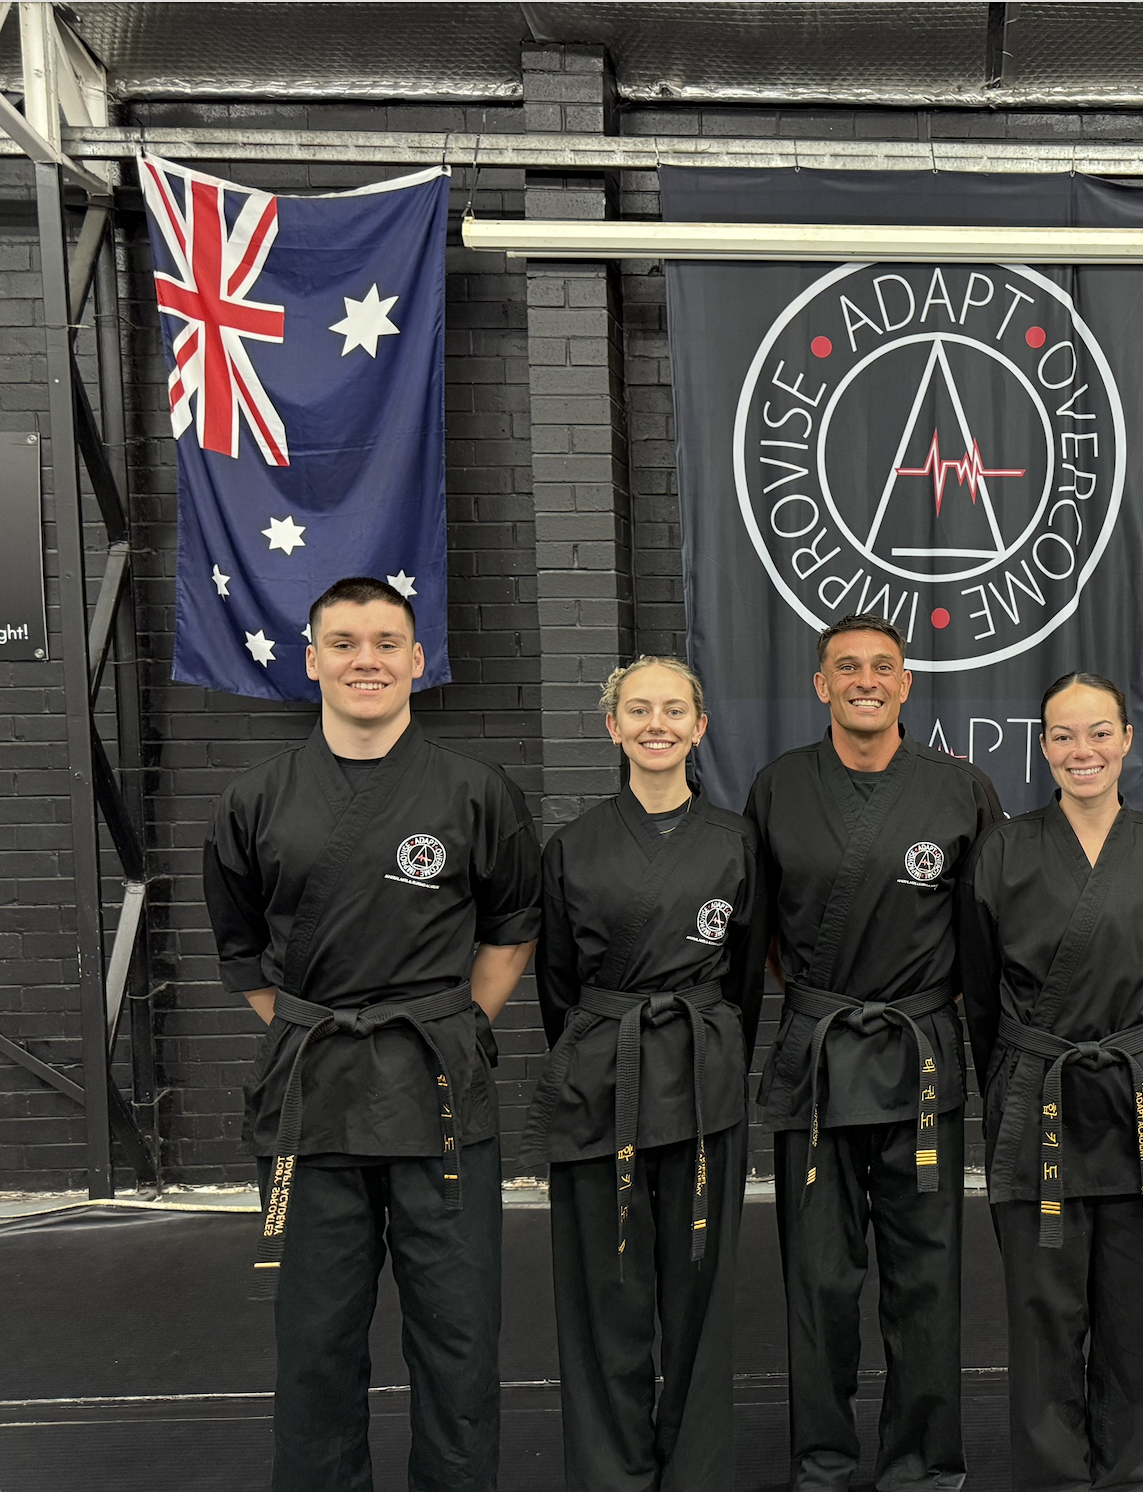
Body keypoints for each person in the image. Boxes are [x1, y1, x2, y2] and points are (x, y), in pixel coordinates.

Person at [202, 575, 540, 1492]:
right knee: (315, 1338)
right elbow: (242, 954)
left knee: (458, 1334)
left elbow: (512, 930)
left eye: (387, 643)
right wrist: (318, 1031)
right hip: (314, 1096)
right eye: (345, 644)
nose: (367, 661)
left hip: (438, 1088)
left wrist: (449, 1028)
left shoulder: (477, 792)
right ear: (311, 661)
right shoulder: (254, 799)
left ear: (416, 660)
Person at [745, 612, 1003, 1492]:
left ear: (906, 683)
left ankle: (923, 1468)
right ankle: (822, 1464)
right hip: (818, 1060)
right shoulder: (779, 787)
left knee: (926, 1277)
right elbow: (761, 932)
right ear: (822, 685)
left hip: (919, 1060)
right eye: (847, 667)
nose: (866, 680)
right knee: (818, 1281)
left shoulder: (960, 789)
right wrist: (824, 1002)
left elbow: (985, 933)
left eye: (882, 667)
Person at [960, 672, 1143, 1492]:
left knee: (1139, 1313)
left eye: (1099, 732)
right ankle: (1053, 1478)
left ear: (1128, 739)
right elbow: (980, 991)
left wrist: (1133, 1052)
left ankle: (1129, 1475)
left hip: (1139, 1098)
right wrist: (1016, 1082)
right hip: (1038, 1095)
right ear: (1042, 747)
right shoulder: (1003, 850)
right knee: (1043, 1315)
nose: (1083, 751)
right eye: (1064, 735)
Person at [525, 655, 766, 1491]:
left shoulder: (736, 841)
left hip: (702, 1076)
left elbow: (744, 979)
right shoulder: (572, 846)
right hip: (603, 1077)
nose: (656, 724)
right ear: (613, 726)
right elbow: (558, 985)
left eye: (673, 710)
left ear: (700, 728)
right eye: (638, 710)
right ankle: (612, 1472)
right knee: (606, 1290)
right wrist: (600, 1050)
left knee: (699, 1289)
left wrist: (712, 1048)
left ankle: (696, 1471)